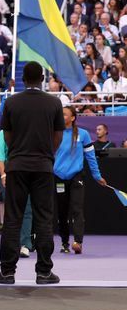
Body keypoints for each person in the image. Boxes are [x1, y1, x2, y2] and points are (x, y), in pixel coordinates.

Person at [0, 61, 63, 285]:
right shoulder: (54, 103)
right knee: (44, 218)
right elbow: (58, 137)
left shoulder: (12, 103)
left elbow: (7, 135)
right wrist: (46, 154)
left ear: (23, 79)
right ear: (42, 79)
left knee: (13, 218)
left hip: (17, 166)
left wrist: (18, 152)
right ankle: (44, 272)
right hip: (43, 167)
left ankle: (7, 272)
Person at [54, 105, 107, 254]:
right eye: (61, 114)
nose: (62, 117)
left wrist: (97, 176)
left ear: (72, 118)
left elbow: (90, 157)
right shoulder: (54, 133)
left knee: (77, 209)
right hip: (58, 177)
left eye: (65, 114)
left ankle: (78, 242)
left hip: (76, 177)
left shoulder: (83, 134)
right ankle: (65, 243)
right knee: (62, 212)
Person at [0, 128, 34, 258]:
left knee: (27, 210)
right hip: (9, 171)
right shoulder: (3, 133)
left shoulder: (29, 131)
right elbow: (0, 156)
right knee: (11, 211)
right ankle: (12, 244)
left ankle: (25, 245)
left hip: (27, 170)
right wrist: (3, 175)